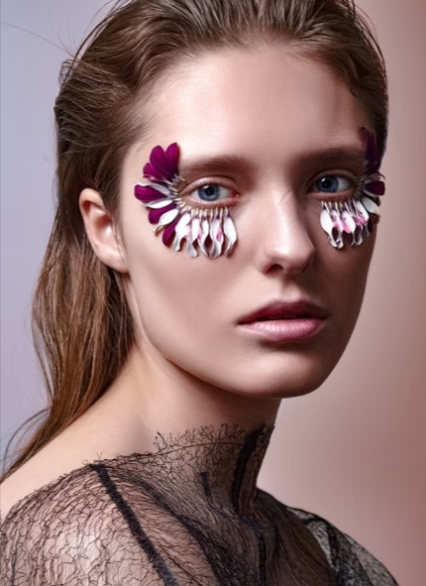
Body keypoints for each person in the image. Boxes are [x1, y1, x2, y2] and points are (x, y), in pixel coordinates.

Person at [0, 0, 399, 584]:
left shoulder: (302, 545)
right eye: (210, 191)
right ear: (106, 229)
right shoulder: (97, 547)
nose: (293, 247)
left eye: (331, 182)